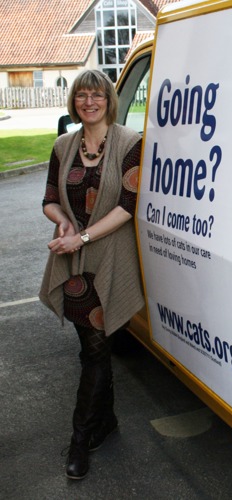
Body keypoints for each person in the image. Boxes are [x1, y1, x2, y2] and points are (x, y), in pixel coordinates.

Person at [39, 70, 144, 480]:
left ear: (108, 101)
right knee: (95, 349)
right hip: (73, 263)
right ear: (74, 102)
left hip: (109, 258)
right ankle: (92, 430)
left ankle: (88, 433)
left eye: (96, 95)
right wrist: (63, 220)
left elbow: (127, 204)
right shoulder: (63, 145)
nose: (89, 101)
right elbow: (49, 197)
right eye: (81, 95)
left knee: (96, 350)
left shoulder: (130, 143)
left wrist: (81, 237)